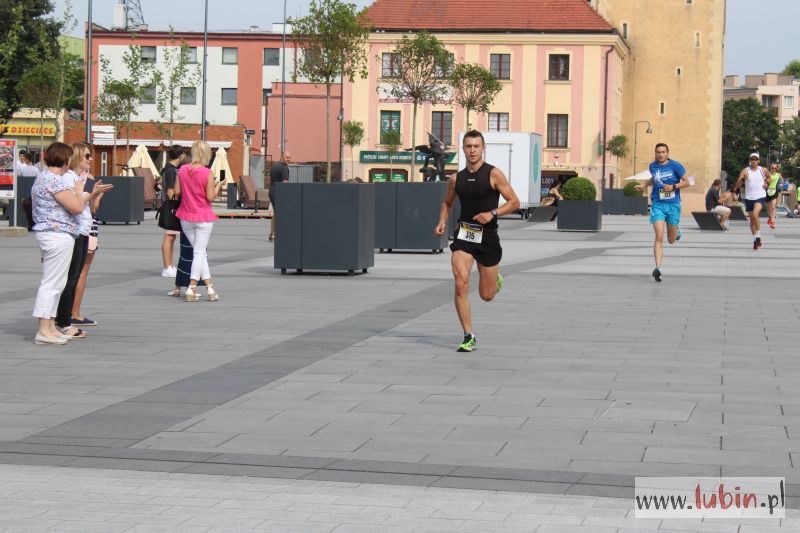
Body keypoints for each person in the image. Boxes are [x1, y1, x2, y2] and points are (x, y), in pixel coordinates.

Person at [434, 130, 520, 352]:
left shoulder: (494, 174)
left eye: (476, 146)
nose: (472, 150)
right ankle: (468, 335)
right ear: (463, 149)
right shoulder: (456, 179)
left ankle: (495, 279)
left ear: (483, 148)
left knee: (486, 295)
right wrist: (442, 221)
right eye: (468, 146)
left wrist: (493, 213)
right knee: (460, 283)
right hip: (465, 234)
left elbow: (514, 202)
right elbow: (447, 203)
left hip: (488, 236)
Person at [30, 143, 89, 344]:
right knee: (52, 283)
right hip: (56, 234)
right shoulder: (54, 180)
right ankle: (43, 330)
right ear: (64, 159)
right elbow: (76, 207)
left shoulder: (43, 177)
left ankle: (50, 327)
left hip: (52, 233)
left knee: (57, 282)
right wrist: (79, 191)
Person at [53, 144, 113, 339]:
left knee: (74, 276)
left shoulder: (79, 178)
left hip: (83, 229)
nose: (90, 159)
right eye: (87, 155)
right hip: (75, 230)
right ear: (77, 156)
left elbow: (88, 206)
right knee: (71, 278)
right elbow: (74, 205)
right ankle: (64, 321)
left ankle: (65, 319)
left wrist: (95, 193)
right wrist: (92, 193)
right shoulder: (69, 178)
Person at [174, 140, 223, 302]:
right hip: (203, 217)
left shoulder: (182, 169)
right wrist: (218, 186)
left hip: (186, 216)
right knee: (199, 253)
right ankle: (192, 287)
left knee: (200, 253)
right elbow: (210, 197)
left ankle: (210, 288)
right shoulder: (207, 172)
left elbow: (177, 191)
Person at [634, 143, 688, 282]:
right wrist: (644, 185)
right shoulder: (652, 166)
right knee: (659, 235)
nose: (661, 154)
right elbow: (654, 178)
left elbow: (687, 182)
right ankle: (658, 268)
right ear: (655, 153)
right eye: (658, 152)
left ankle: (676, 230)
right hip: (657, 204)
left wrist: (674, 186)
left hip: (673, 205)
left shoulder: (675, 165)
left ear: (667, 153)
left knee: (671, 240)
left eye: (663, 152)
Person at [69, 143, 109, 327]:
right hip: (86, 227)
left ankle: (66, 312)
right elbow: (94, 208)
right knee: (81, 272)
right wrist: (97, 195)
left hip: (73, 227)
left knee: (71, 272)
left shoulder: (66, 177)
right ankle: (74, 313)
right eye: (87, 155)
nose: (91, 159)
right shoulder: (88, 178)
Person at [734, 152, 769, 250]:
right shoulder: (745, 171)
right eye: (752, 159)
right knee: (752, 220)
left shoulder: (763, 170)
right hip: (749, 198)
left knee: (755, 214)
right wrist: (742, 179)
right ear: (750, 160)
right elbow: (737, 185)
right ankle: (755, 241)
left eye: (755, 159)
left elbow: (769, 178)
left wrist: (766, 183)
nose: (754, 161)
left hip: (760, 196)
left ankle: (758, 237)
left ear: (758, 161)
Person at [160, 145, 185, 277]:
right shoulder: (171, 170)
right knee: (169, 236)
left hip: (171, 205)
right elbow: (170, 191)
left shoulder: (170, 168)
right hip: (172, 206)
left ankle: (170, 265)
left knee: (171, 236)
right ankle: (167, 267)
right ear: (181, 156)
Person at [268, 151, 291, 241]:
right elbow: (285, 183)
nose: (289, 159)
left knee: (276, 212)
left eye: (289, 157)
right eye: (287, 157)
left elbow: (272, 179)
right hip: (279, 193)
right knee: (279, 213)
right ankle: (275, 234)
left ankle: (271, 233)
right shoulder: (284, 168)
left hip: (271, 191)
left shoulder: (274, 165)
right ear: (282, 157)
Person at [765, 162, 783, 230]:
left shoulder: (778, 174)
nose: (774, 169)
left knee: (773, 206)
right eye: (772, 168)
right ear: (770, 167)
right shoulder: (767, 174)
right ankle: (770, 217)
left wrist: (781, 183)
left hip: (775, 191)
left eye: (775, 168)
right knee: (768, 207)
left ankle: (772, 222)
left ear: (777, 168)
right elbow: (764, 181)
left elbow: (782, 179)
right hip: (767, 191)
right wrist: (767, 181)